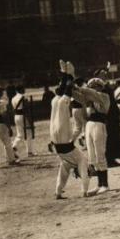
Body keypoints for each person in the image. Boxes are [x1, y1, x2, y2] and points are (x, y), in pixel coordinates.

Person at [50, 68, 90, 199]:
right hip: (62, 136)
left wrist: (65, 75)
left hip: (55, 139)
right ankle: (84, 190)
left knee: (65, 165)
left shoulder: (54, 100)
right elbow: (66, 90)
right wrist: (71, 79)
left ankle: (58, 191)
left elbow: (62, 88)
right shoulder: (62, 102)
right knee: (82, 160)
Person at [83, 77, 111, 193]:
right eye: (92, 86)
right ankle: (99, 184)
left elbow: (92, 94)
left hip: (99, 124)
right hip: (89, 124)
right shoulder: (89, 99)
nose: (94, 89)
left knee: (100, 153)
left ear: (100, 87)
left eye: (96, 86)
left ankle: (105, 184)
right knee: (92, 156)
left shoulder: (104, 96)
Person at [11, 85, 34, 157]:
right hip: (23, 116)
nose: (24, 90)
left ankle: (14, 146)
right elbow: (26, 109)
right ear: (21, 89)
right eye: (23, 89)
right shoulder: (24, 97)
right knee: (29, 133)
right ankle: (29, 152)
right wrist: (30, 120)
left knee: (20, 134)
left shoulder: (13, 98)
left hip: (16, 116)